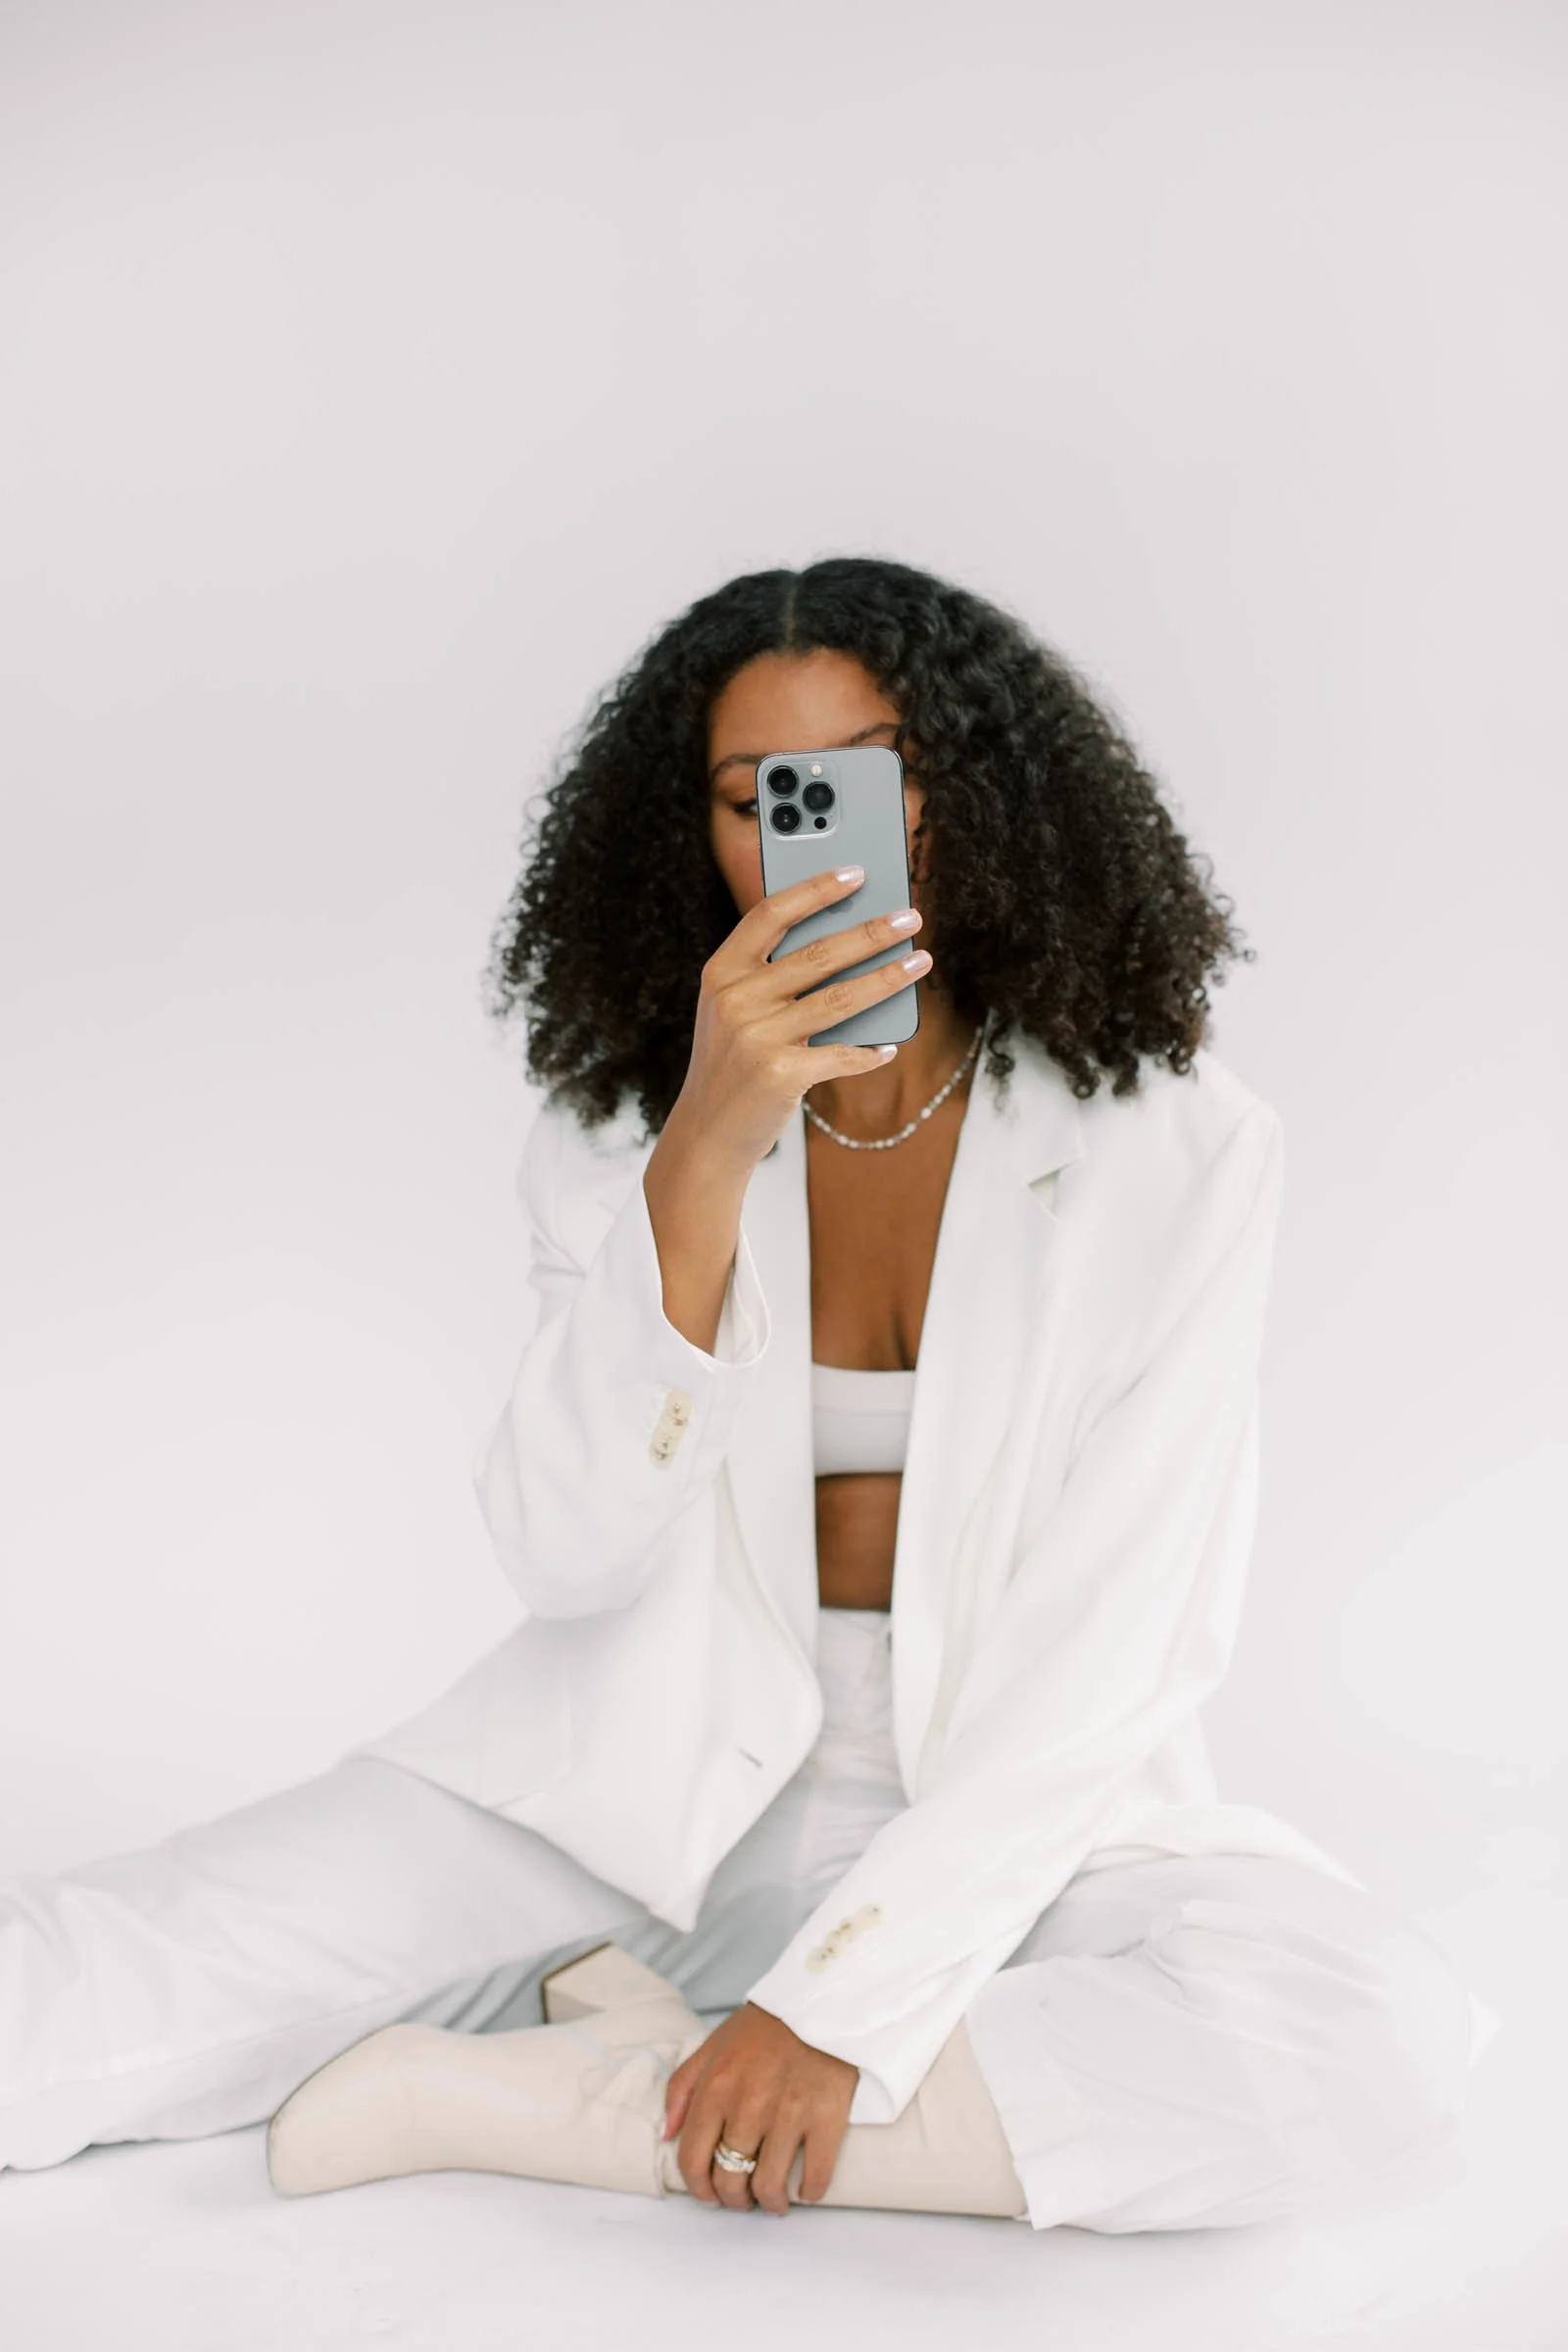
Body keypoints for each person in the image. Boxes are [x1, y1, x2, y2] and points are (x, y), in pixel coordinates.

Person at [0, 558, 1489, 2230]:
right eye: (759, 797)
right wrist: (702, 1149)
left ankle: (559, 2097)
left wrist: (836, 2008)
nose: (831, 833)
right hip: (622, 1779)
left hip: (1009, 1813)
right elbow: (565, 1554)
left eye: (882, 772)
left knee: (1367, 2035)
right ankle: (627, 2008)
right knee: (89, 1987)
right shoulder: (618, 1132)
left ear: (973, 800)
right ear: (696, 840)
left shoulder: (1183, 1150)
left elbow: (1123, 1645)